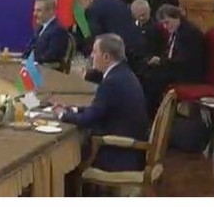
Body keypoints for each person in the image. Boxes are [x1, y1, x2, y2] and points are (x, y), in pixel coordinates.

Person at [56, 34, 150, 173]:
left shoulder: (112, 82)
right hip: (132, 150)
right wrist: (74, 109)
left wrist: (62, 115)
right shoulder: (124, 73)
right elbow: (98, 110)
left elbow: (89, 119)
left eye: (95, 51)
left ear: (106, 57)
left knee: (65, 155)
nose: (91, 55)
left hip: (118, 154)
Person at [142, 5, 206, 118]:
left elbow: (184, 60)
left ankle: (151, 115)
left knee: (152, 78)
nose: (165, 27)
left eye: (167, 22)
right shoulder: (179, 30)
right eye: (164, 24)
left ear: (177, 17)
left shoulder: (189, 34)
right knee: (146, 71)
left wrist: (161, 61)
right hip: (179, 68)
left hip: (189, 74)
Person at [77, 0, 145, 75]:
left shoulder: (93, 9)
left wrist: (86, 50)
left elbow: (97, 36)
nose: (82, 7)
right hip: (136, 44)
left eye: (81, 3)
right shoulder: (117, 2)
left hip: (118, 49)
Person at [23, 0, 71, 66]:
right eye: (34, 10)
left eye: (39, 10)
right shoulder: (39, 28)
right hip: (34, 66)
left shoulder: (58, 30)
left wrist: (31, 60)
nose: (34, 14)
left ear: (51, 11)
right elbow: (28, 50)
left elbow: (51, 57)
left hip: (47, 70)